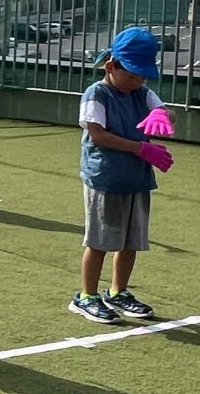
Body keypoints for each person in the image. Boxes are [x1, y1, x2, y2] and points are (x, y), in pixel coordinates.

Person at [71, 27, 175, 324]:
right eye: (131, 75)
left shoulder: (142, 93)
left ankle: (118, 291)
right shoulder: (97, 93)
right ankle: (86, 296)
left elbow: (167, 112)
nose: (137, 81)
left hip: (136, 177)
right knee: (100, 241)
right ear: (111, 66)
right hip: (106, 177)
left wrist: (163, 114)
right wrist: (140, 148)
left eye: (142, 76)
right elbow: (98, 135)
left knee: (132, 241)